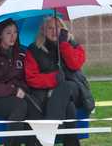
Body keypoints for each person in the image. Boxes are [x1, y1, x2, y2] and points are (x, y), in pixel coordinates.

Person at [0, 18, 42, 146]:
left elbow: (28, 80)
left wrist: (20, 89)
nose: (13, 36)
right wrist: (14, 89)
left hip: (18, 95)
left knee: (35, 108)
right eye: (8, 33)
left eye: (15, 32)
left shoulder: (22, 55)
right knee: (19, 105)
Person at [25, 16, 86, 146]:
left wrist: (64, 44)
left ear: (64, 30)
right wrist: (53, 78)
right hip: (49, 94)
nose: (54, 31)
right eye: (50, 28)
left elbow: (75, 64)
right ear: (43, 30)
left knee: (66, 86)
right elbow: (32, 78)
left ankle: (48, 131)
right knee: (69, 108)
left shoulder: (72, 45)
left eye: (58, 28)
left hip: (74, 89)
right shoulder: (34, 50)